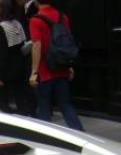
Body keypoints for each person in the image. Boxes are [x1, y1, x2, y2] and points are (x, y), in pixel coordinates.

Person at [29, 0, 83, 130]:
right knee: (66, 105)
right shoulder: (62, 17)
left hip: (45, 70)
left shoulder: (35, 20)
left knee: (43, 107)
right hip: (61, 67)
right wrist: (69, 66)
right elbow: (68, 42)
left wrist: (34, 72)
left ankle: (44, 138)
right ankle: (81, 134)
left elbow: (37, 45)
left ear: (36, 2)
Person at [0, 0, 34, 115]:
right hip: (20, 64)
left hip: (7, 68)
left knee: (3, 99)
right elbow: (23, 44)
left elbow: (2, 53)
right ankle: (25, 116)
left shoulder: (1, 27)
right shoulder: (17, 23)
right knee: (19, 95)